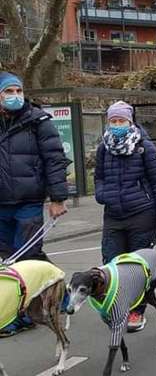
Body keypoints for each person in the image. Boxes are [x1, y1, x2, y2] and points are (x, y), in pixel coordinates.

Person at [0, 72, 70, 338]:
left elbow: (55, 159)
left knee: (24, 257)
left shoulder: (37, 121)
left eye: (18, 90)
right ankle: (61, 293)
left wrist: (57, 198)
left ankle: (20, 315)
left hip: (29, 201)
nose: (15, 96)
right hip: (1, 203)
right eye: (9, 91)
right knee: (9, 258)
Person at [94, 100, 156, 333]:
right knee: (111, 261)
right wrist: (102, 193)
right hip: (113, 215)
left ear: (130, 122)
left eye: (121, 121)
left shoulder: (144, 147)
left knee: (136, 267)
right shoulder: (103, 148)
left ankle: (137, 310)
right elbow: (98, 177)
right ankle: (116, 307)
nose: (117, 125)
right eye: (113, 121)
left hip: (142, 214)